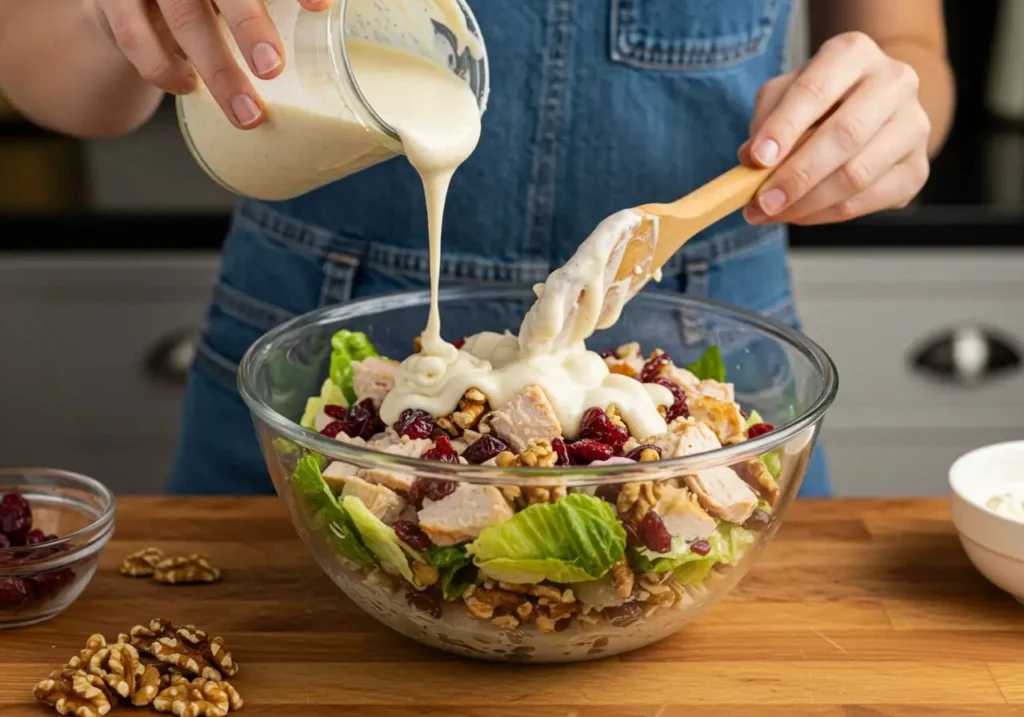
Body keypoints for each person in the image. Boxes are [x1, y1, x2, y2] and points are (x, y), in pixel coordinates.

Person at [0, 0, 953, 496]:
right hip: (304, 371)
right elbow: (53, 75)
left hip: (711, 373)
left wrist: (885, 112)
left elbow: (910, 44)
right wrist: (108, 17)